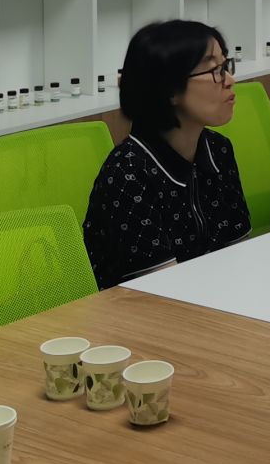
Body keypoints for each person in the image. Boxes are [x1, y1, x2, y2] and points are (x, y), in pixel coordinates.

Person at [84, 20, 250, 287]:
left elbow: (239, 253)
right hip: (145, 307)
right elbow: (163, 288)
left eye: (226, 65)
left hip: (214, 295)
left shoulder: (218, 150)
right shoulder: (128, 173)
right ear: (170, 89)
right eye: (215, 70)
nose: (230, 80)